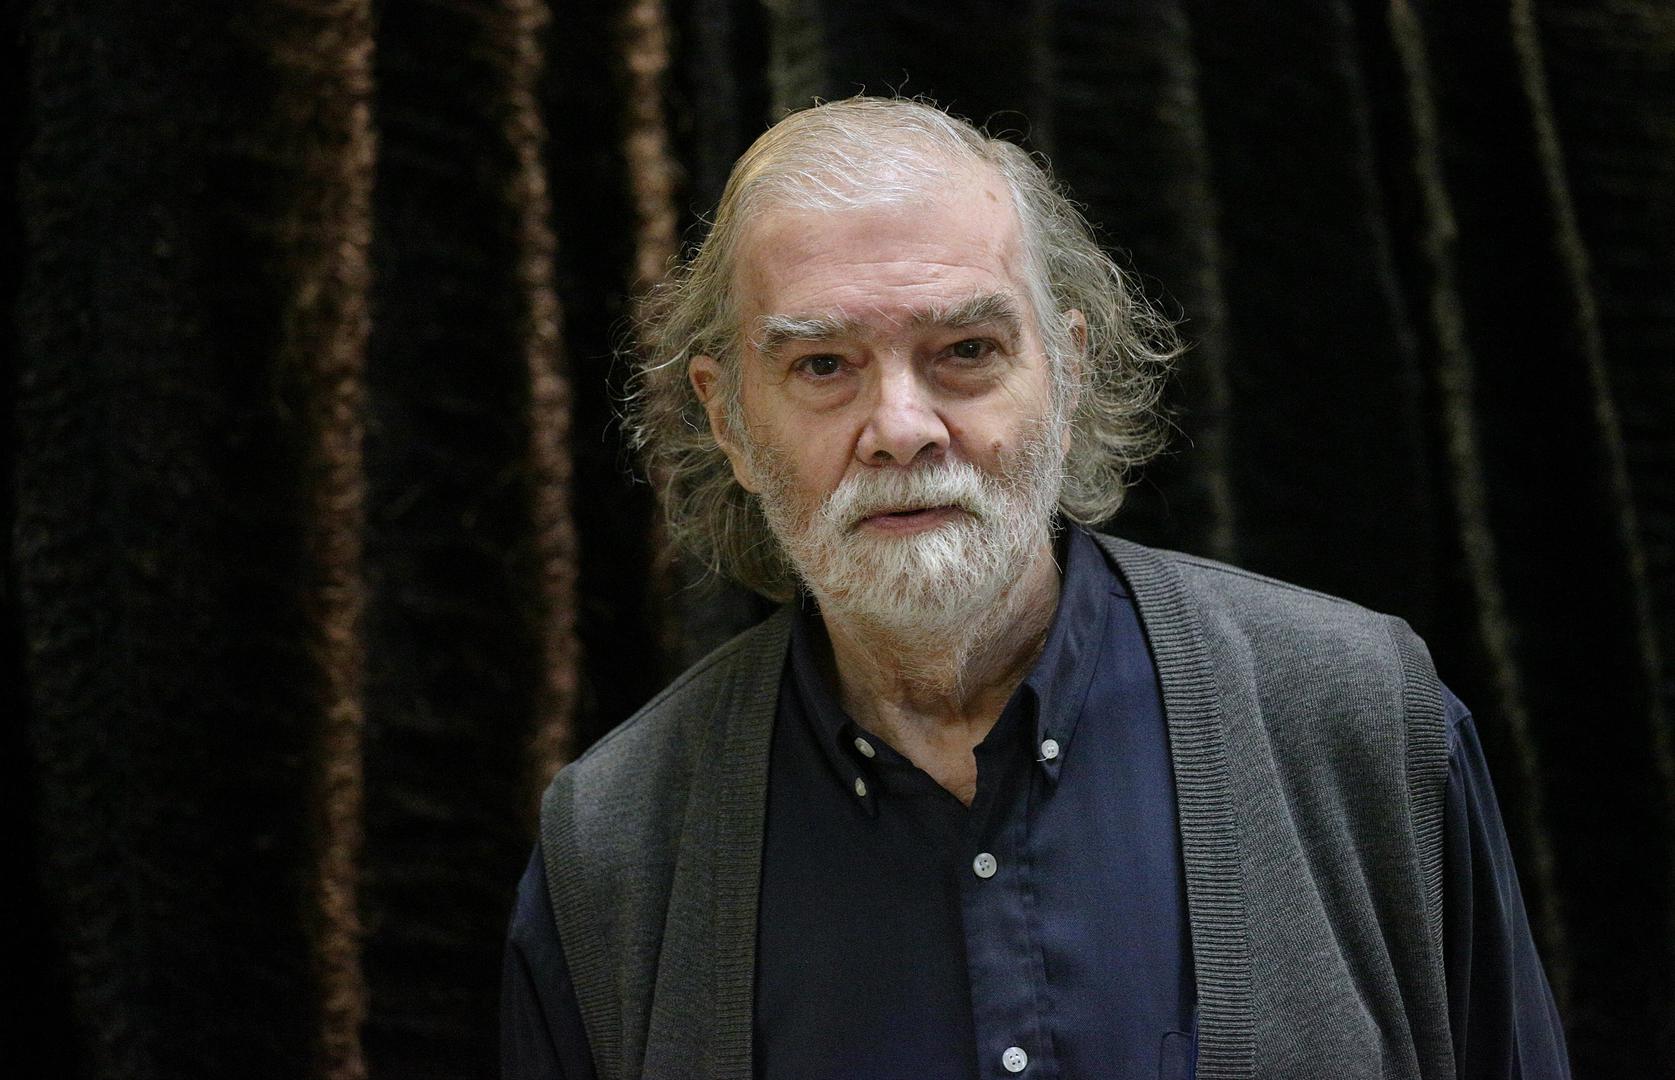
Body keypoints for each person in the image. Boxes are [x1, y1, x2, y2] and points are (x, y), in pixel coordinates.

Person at [501, 96, 1569, 1079]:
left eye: (965, 349)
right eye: (823, 365)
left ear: (1068, 373)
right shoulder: (615, 844)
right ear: (729, 419)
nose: (902, 429)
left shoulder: (1358, 721)